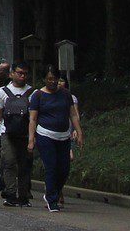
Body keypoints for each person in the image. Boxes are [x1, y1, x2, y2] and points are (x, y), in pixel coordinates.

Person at [28, 66, 81, 213]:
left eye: (54, 79)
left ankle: (54, 192)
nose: (52, 82)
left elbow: (73, 114)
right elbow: (33, 119)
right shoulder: (38, 95)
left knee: (64, 169)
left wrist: (79, 131)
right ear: (44, 79)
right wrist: (31, 139)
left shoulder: (65, 94)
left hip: (63, 136)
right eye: (49, 79)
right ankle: (52, 200)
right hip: (45, 135)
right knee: (51, 167)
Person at [0, 62, 36, 206]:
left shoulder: (33, 93)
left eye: (24, 73)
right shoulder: (2, 92)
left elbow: (34, 116)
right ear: (12, 74)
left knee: (24, 165)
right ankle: (10, 193)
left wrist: (33, 137)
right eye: (19, 73)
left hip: (25, 133)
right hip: (6, 132)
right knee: (9, 162)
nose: (22, 76)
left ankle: (24, 195)